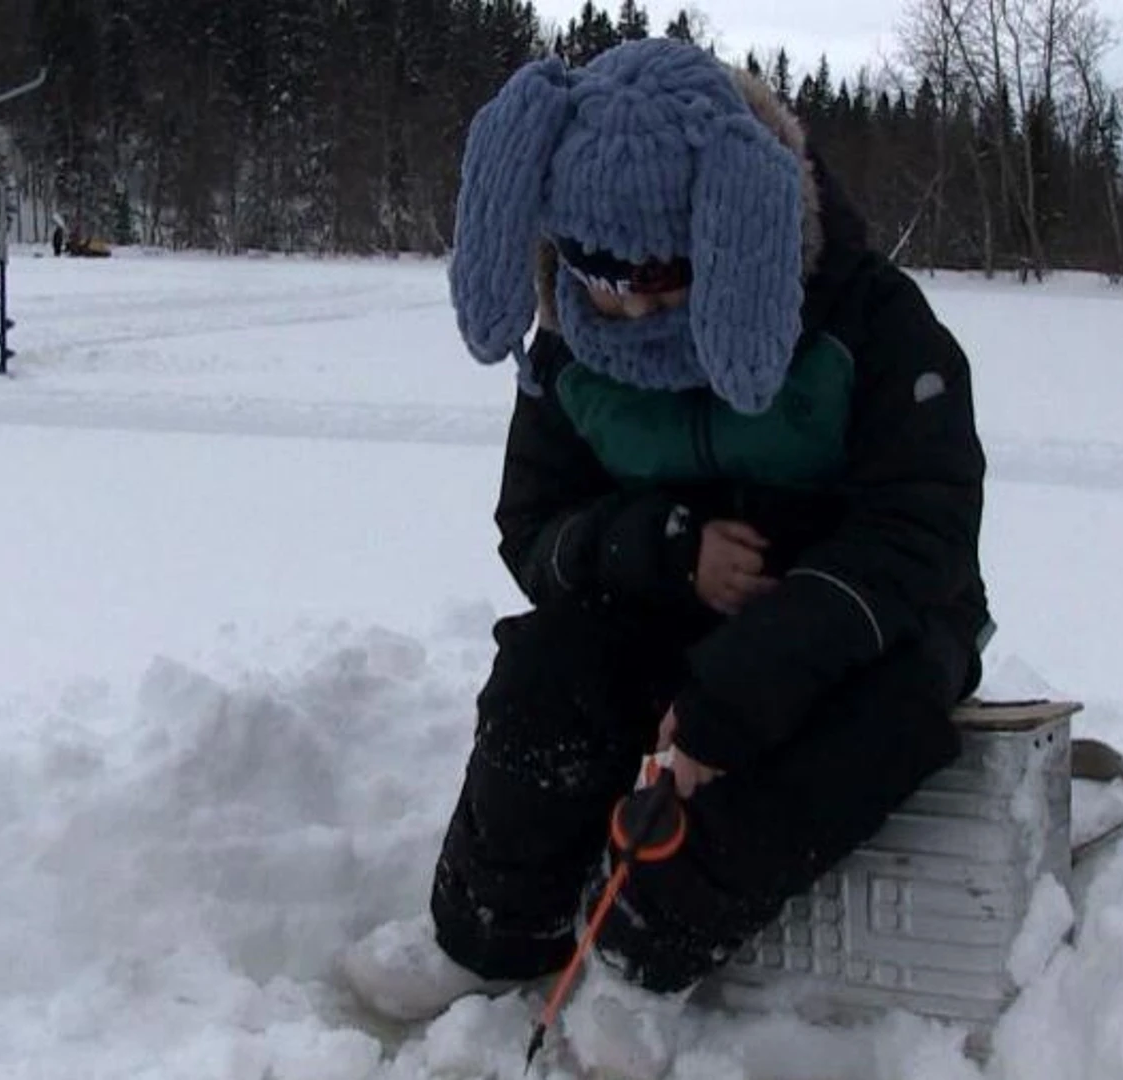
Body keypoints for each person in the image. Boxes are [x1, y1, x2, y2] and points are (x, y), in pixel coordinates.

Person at [342, 39, 992, 1077]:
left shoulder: (878, 326)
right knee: (550, 660)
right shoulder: (568, 347)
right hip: (670, 603)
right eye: (598, 275)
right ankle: (490, 929)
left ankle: (645, 957)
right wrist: (663, 553)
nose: (627, 309)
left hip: (861, 624)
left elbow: (922, 535)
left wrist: (751, 675)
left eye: (657, 278)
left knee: (883, 720)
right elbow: (535, 531)